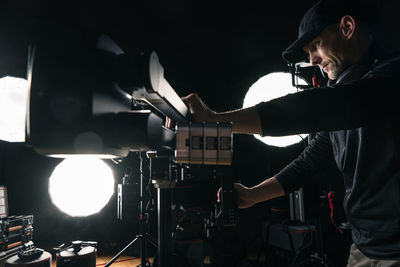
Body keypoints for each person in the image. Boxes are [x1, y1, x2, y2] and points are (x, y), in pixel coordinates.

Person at [181, 0, 400, 266]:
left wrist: (215, 120)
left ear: (347, 27)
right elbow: (310, 161)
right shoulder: (345, 95)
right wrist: (252, 194)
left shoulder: (390, 78)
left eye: (316, 46)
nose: (312, 60)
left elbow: (325, 107)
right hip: (365, 248)